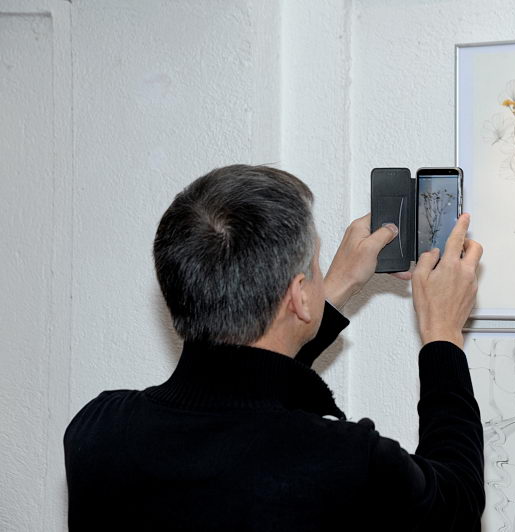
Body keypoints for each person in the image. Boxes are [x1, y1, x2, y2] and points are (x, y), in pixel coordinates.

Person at [63, 164, 485, 531]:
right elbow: (458, 504)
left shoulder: (98, 431)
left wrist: (330, 290)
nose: (322, 273)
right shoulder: (341, 461)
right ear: (298, 295)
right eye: (315, 265)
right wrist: (442, 334)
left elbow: (248, 395)